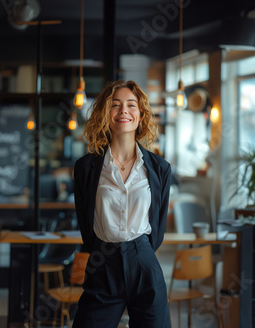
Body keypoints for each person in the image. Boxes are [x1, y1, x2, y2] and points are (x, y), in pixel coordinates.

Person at [72, 80, 172, 327]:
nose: (123, 111)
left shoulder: (160, 168)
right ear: (105, 113)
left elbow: (157, 226)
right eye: (115, 105)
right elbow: (86, 222)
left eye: (131, 104)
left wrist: (141, 252)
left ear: (141, 113)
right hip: (102, 264)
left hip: (144, 264)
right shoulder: (86, 167)